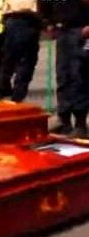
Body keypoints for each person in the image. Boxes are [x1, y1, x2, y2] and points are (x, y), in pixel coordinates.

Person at [45, 0, 89, 137]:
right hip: (62, 30)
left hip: (82, 30)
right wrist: (49, 23)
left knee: (79, 75)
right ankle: (64, 121)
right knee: (63, 75)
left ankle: (80, 123)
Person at [0, 0, 46, 103]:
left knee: (9, 60)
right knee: (26, 62)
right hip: (28, 21)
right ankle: (17, 97)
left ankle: (2, 91)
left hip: (11, 20)